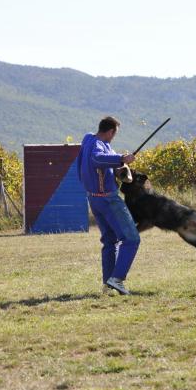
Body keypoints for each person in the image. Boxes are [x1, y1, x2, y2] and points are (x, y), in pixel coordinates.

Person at [76, 116, 140, 295]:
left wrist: (118, 169)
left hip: (94, 199)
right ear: (111, 131)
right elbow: (97, 159)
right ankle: (117, 279)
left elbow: (97, 164)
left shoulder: (88, 139)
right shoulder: (97, 145)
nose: (114, 137)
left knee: (110, 241)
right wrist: (122, 158)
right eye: (114, 134)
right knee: (132, 239)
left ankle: (107, 284)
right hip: (108, 199)